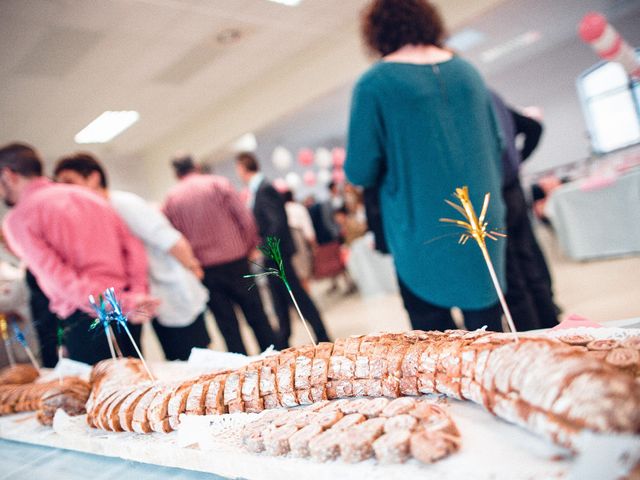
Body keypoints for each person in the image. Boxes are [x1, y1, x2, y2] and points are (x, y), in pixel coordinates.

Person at [345, 0, 506, 332]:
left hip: (420, 233)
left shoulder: (374, 84)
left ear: (377, 31)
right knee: (493, 341)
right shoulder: (468, 71)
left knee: (433, 351)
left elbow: (359, 170)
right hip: (482, 221)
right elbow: (498, 144)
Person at [0, 143, 155, 364]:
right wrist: (135, 296)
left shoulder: (18, 219)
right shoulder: (87, 196)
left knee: (102, 396)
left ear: (8, 175)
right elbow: (132, 246)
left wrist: (118, 303)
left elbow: (58, 279)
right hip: (127, 310)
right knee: (137, 390)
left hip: (87, 318)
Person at [54, 153, 211, 360]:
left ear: (94, 177)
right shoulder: (96, 213)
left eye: (70, 182)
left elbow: (172, 241)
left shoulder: (124, 204)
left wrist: (192, 267)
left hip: (173, 289)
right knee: (176, 359)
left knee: (196, 358)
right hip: (150, 298)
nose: (66, 191)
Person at [163, 154, 276, 355]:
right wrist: (251, 246)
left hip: (206, 271)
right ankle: (277, 361)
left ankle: (243, 375)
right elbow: (245, 219)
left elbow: (174, 237)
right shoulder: (218, 184)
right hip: (237, 261)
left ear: (175, 173)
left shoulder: (172, 199)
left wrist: (190, 265)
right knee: (258, 317)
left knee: (228, 327)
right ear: (196, 165)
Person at [235, 152, 330, 348]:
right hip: (273, 255)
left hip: (277, 254)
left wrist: (264, 249)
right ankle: (281, 341)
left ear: (243, 168)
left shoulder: (265, 188)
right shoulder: (259, 189)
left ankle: (320, 335)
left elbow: (276, 224)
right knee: (280, 298)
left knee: (296, 296)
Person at [490, 92, 558, 330]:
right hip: (513, 189)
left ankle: (532, 338)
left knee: (512, 277)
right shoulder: (494, 98)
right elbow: (533, 127)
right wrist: (517, 160)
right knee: (529, 262)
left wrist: (516, 159)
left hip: (496, 193)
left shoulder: (476, 99)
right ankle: (550, 326)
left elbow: (532, 127)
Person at [282, 190, 316, 292]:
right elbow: (307, 228)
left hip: (287, 242)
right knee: (304, 273)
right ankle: (307, 297)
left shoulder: (282, 209)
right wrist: (313, 244)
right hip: (299, 240)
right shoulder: (298, 207)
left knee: (297, 273)